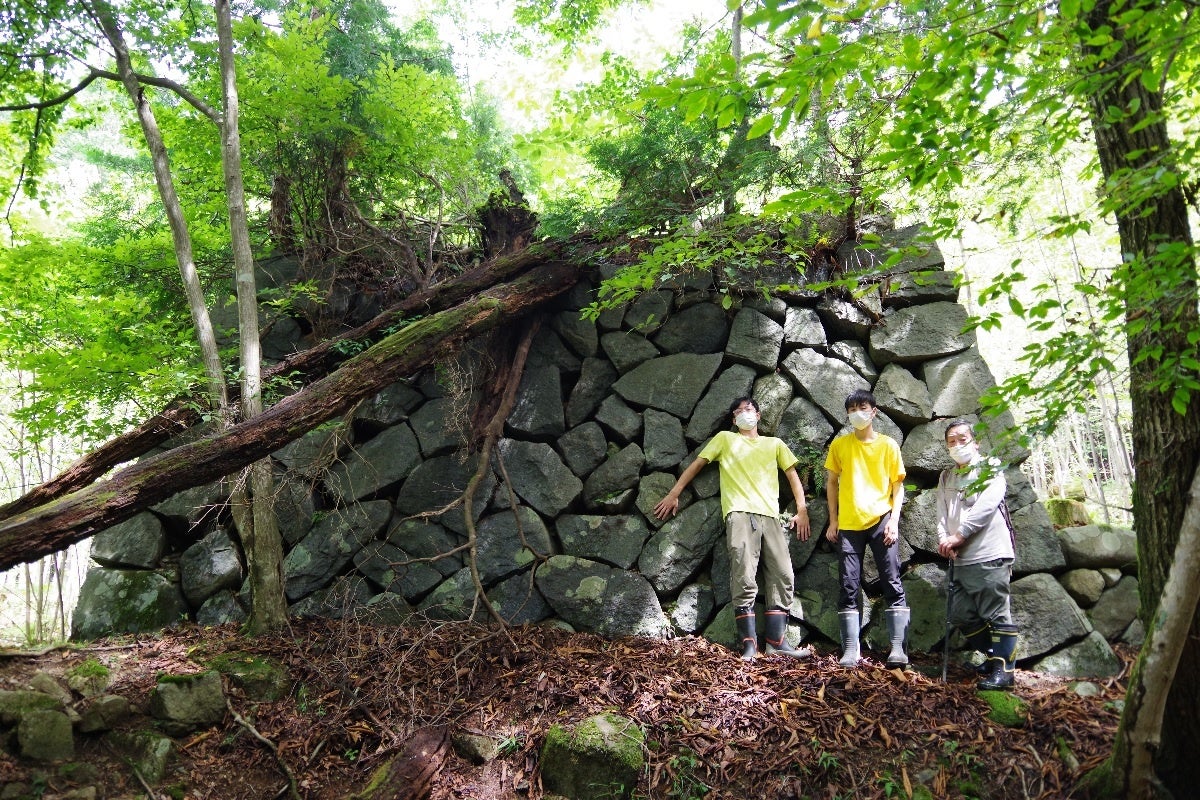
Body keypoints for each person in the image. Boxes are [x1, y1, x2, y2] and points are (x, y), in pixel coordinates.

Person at [654, 397, 812, 661]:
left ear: (759, 416)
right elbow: (697, 464)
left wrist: (802, 509)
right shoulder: (725, 439)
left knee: (784, 575)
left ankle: (777, 643)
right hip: (739, 513)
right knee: (744, 574)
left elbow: (792, 476)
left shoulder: (774, 444)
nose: (743, 414)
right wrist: (674, 493)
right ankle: (749, 645)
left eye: (748, 410)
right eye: (738, 412)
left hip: (771, 516)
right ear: (733, 419)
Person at [824, 390, 909, 668]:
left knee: (891, 579)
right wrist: (833, 520)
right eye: (851, 409)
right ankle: (851, 650)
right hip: (848, 523)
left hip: (882, 519)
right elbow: (832, 483)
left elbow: (898, 486)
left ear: (874, 411)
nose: (857, 413)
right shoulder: (840, 446)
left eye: (862, 407)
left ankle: (898, 648)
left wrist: (894, 521)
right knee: (848, 584)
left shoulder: (888, 446)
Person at [936, 419, 1018, 691]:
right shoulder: (947, 476)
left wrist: (959, 535)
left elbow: (986, 506)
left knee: (996, 613)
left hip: (988, 552)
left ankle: (1005, 672)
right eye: (951, 441)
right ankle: (994, 657)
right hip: (959, 558)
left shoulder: (990, 468)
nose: (957, 445)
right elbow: (941, 512)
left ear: (976, 441)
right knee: (961, 612)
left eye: (962, 439)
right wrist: (943, 539)